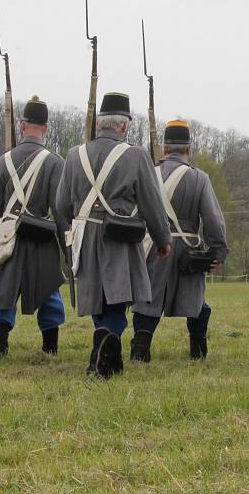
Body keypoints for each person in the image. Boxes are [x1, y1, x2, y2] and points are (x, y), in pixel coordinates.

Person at [56, 92, 172, 378]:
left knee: (98, 297)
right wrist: (162, 239)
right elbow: (151, 203)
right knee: (118, 299)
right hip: (120, 237)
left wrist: (76, 227)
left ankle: (108, 354)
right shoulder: (135, 156)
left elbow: (60, 206)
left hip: (85, 237)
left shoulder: (74, 155)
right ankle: (104, 347)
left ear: (99, 124)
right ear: (124, 126)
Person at [131, 120, 229, 362]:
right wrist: (217, 252)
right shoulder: (199, 179)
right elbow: (213, 220)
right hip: (188, 250)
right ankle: (198, 350)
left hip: (151, 245)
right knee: (195, 302)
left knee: (146, 301)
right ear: (189, 148)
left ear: (165, 148)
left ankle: (140, 349)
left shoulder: (147, 174)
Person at [0, 95, 67, 356]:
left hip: (8, 238)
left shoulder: (1, 162)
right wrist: (67, 246)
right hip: (42, 238)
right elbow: (60, 210)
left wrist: (9, 223)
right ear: (45, 128)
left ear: (22, 126)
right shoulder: (55, 162)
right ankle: (50, 349)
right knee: (49, 292)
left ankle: (0, 346)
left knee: (3, 293)